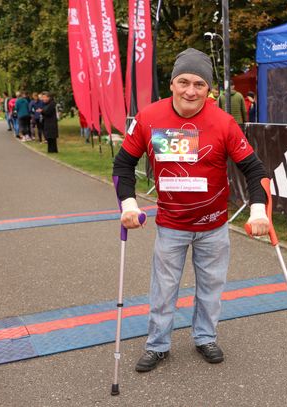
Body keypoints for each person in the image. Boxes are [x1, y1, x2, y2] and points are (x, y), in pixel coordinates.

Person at [112, 48, 269, 372]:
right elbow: (123, 165)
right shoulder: (148, 117)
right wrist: (128, 204)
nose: (190, 90)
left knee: (211, 287)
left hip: (214, 226)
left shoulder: (223, 122)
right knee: (164, 289)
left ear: (209, 89)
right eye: (184, 81)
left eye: (199, 84)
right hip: (171, 224)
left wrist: (258, 211)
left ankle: (204, 337)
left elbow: (255, 170)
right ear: (171, 83)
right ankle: (158, 345)